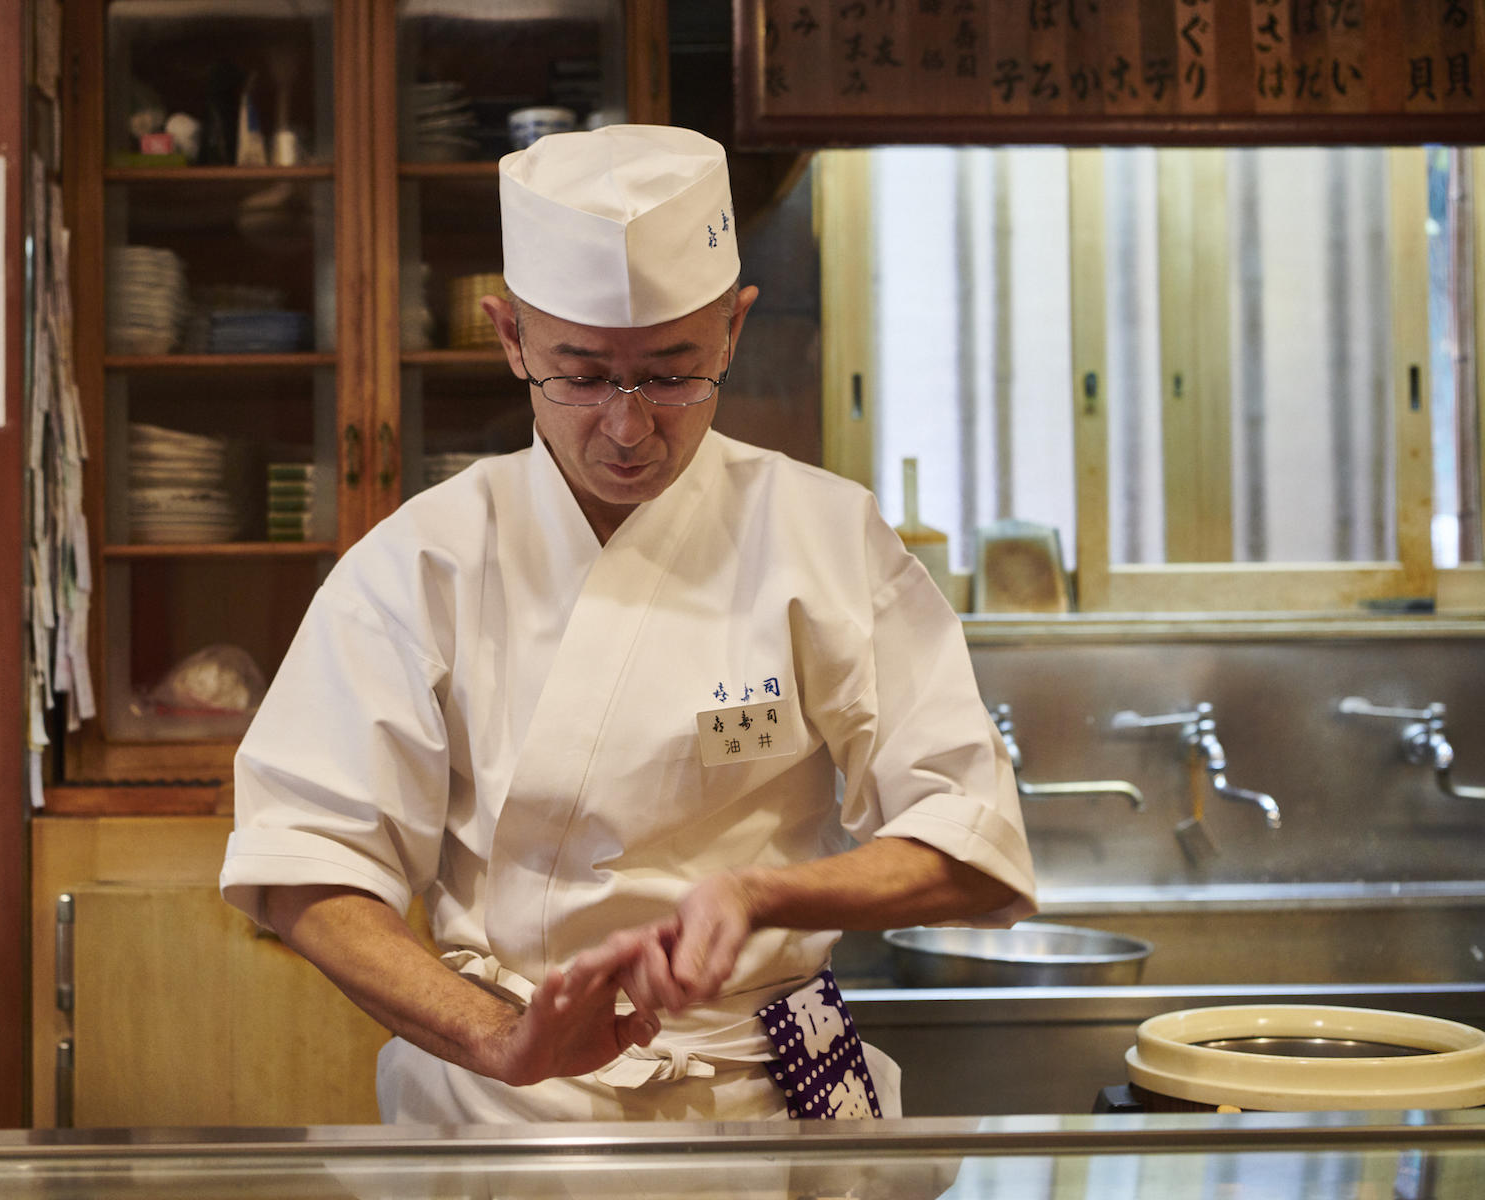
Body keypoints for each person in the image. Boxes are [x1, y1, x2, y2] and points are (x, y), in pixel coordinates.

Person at [220, 124, 1036, 1125]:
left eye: (670, 370)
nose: (627, 423)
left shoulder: (825, 538)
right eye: (581, 372)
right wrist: (495, 1039)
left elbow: (969, 836)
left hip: (764, 1098)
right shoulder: (422, 561)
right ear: (509, 334)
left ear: (733, 329)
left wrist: (764, 896)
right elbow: (308, 865)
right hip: (510, 1106)